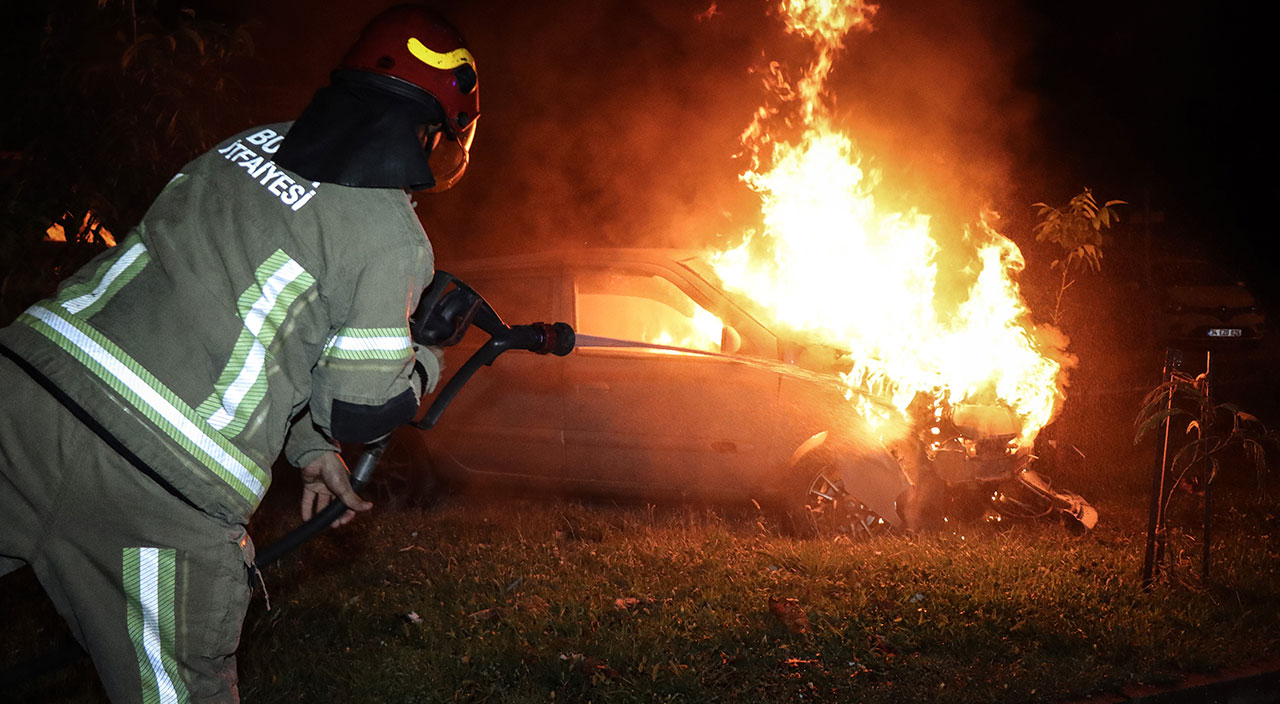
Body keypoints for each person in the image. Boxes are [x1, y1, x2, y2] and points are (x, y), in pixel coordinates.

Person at [0, 5, 478, 701]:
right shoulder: (389, 233)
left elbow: (251, 313)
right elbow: (358, 406)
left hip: (24, 400)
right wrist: (430, 357)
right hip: (155, 493)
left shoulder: (247, 147)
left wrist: (312, 452)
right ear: (435, 134)